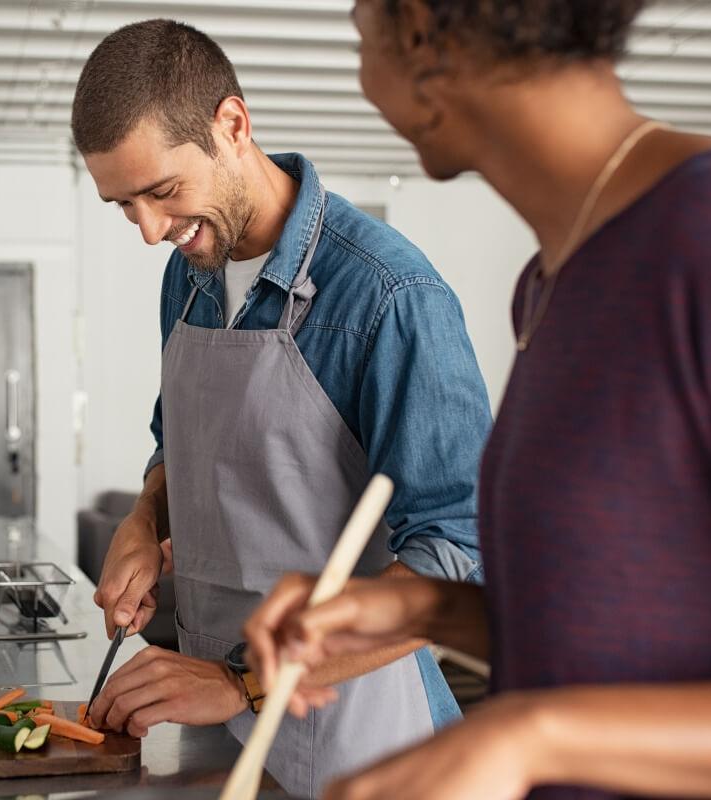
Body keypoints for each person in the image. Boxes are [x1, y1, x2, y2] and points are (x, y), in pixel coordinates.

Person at [245, 2, 711, 798]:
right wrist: (414, 607)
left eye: (359, 33)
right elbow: (614, 639)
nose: (361, 79)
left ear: (418, 32)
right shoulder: (550, 284)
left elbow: (557, 717)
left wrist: (527, 736)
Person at [70, 19, 494, 798]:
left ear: (232, 126)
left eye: (162, 192)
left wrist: (246, 685)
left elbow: (458, 552)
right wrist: (143, 519)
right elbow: (180, 441)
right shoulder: (188, 272)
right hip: (214, 726)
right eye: (124, 205)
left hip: (365, 740)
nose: (151, 232)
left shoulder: (389, 295)